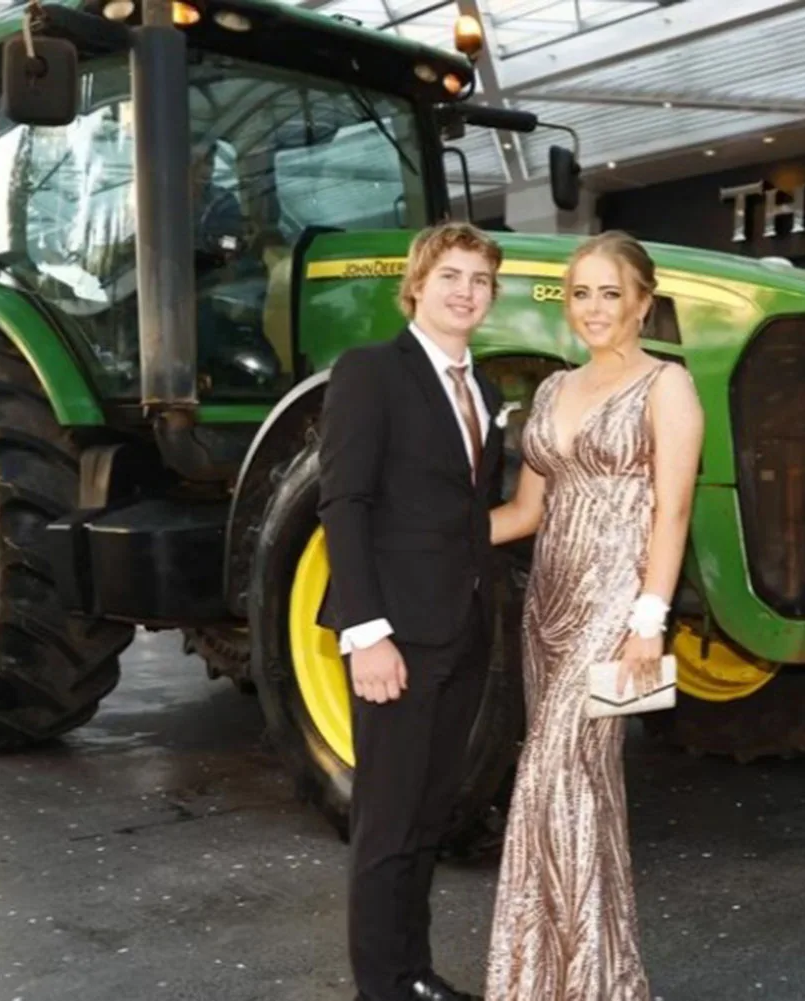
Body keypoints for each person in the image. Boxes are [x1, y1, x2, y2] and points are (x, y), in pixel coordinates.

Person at [485, 231, 704, 1000]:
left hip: (617, 601)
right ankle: (574, 975)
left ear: (645, 302)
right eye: (582, 292)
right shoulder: (551, 392)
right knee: (585, 790)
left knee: (557, 779)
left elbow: (672, 511)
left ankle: (574, 981)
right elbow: (522, 512)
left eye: (612, 293)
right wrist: (425, 533)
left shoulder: (667, 385)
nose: (595, 308)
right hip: (548, 600)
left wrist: (649, 616)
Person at [317, 222, 506, 1001]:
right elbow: (344, 503)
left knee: (430, 818)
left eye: (481, 280)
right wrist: (366, 633)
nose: (466, 291)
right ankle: (380, 989)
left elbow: (466, 513)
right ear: (417, 286)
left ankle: (413, 972)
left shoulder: (484, 390)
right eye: (451, 275)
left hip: (461, 631)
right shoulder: (370, 372)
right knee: (386, 827)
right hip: (394, 635)